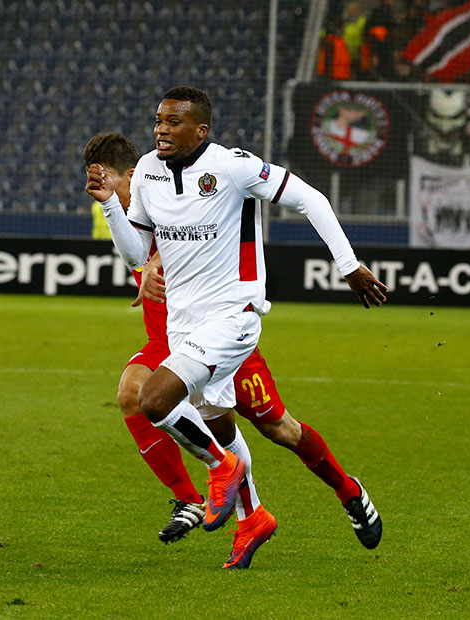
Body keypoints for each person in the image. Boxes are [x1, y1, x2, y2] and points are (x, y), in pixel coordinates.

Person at [85, 88, 387, 560]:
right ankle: (252, 517)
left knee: (167, 402)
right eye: (158, 120)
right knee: (221, 428)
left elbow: (310, 198)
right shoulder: (147, 171)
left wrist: (348, 265)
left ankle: (339, 488)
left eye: (173, 122)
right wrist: (109, 205)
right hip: (184, 329)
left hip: (232, 319)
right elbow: (137, 254)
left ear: (200, 129)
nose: (161, 129)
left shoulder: (232, 166)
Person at [83, 132, 274, 569]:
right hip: (170, 338)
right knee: (136, 395)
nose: (108, 189)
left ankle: (274, 504)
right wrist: (122, 224)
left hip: (213, 330)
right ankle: (203, 502)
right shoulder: (134, 214)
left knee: (269, 429)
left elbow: (197, 237)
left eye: (112, 180)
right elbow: (137, 252)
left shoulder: (169, 193)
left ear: (134, 174)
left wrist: (158, 259)